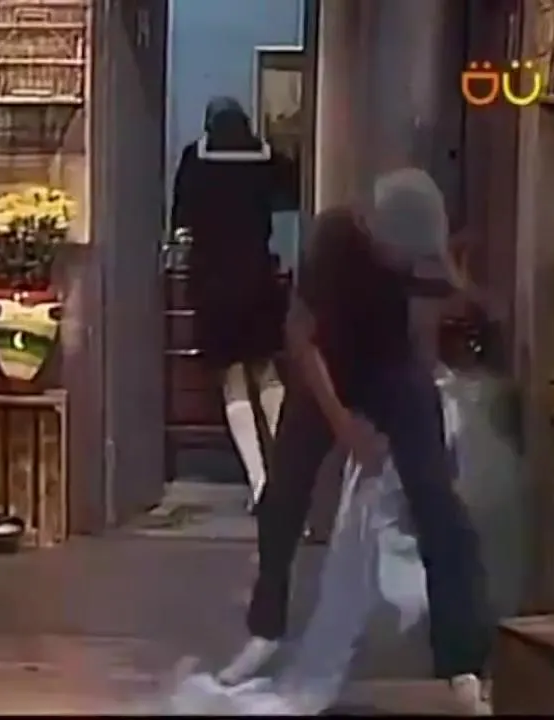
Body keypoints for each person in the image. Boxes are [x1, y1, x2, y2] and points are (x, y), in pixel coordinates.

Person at [216, 173, 497, 715]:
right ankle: (265, 630)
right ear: (375, 231)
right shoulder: (334, 240)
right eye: (400, 254)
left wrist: (462, 286)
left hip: (392, 368)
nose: (403, 264)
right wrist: (344, 426)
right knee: (283, 497)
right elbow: (301, 339)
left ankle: (462, 661)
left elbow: (440, 287)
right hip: (328, 367)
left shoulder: (409, 237)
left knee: (439, 507)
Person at [170, 96, 287, 509]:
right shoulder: (267, 158)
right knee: (268, 375)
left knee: (232, 380)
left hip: (213, 283)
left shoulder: (195, 159)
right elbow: (289, 198)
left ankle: (259, 482)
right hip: (258, 278)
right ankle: (287, 477)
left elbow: (181, 220)